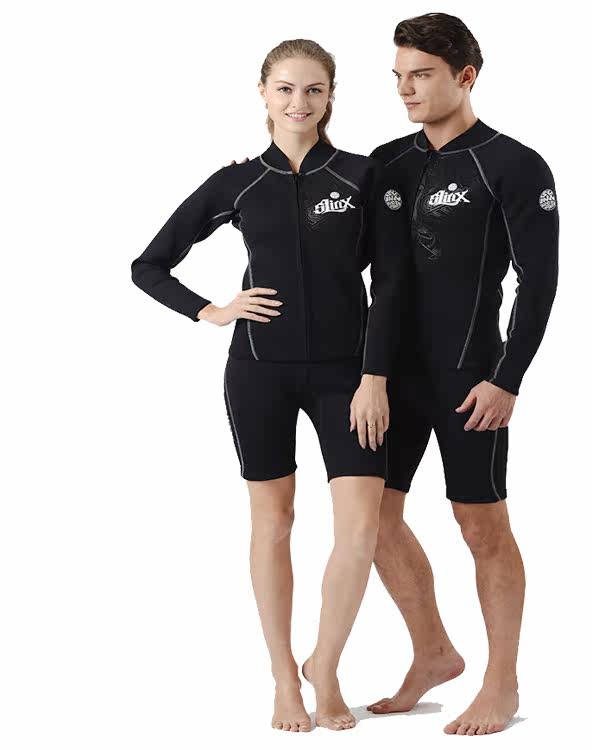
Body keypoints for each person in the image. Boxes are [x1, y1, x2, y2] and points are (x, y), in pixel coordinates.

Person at [131, 39, 409, 732]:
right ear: (263, 93)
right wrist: (212, 310)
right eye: (285, 88)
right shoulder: (238, 183)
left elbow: (393, 283)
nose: (298, 102)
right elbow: (149, 264)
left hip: (350, 376)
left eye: (313, 90)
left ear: (331, 96)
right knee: (274, 522)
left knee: (361, 528)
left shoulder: (361, 175)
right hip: (259, 370)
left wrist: (375, 376)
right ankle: (285, 677)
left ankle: (326, 669)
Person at [361, 13, 560, 737]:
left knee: (480, 523)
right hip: (387, 378)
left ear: (465, 76)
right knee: (370, 519)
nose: (406, 90)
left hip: (470, 375)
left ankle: (501, 681)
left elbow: (539, 281)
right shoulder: (387, 163)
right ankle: (434, 653)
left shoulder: (513, 164)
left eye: (421, 75)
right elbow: (336, 245)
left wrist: (508, 378)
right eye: (398, 77)